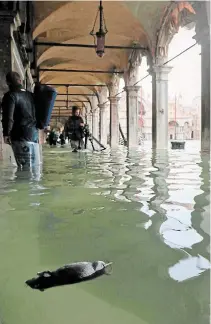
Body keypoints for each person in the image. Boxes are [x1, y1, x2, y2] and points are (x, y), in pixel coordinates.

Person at [1, 71, 40, 170]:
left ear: (8, 83)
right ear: (21, 81)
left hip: (19, 135)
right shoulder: (32, 96)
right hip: (34, 134)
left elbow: (8, 117)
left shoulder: (10, 96)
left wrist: (6, 133)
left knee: (23, 169)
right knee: (34, 167)